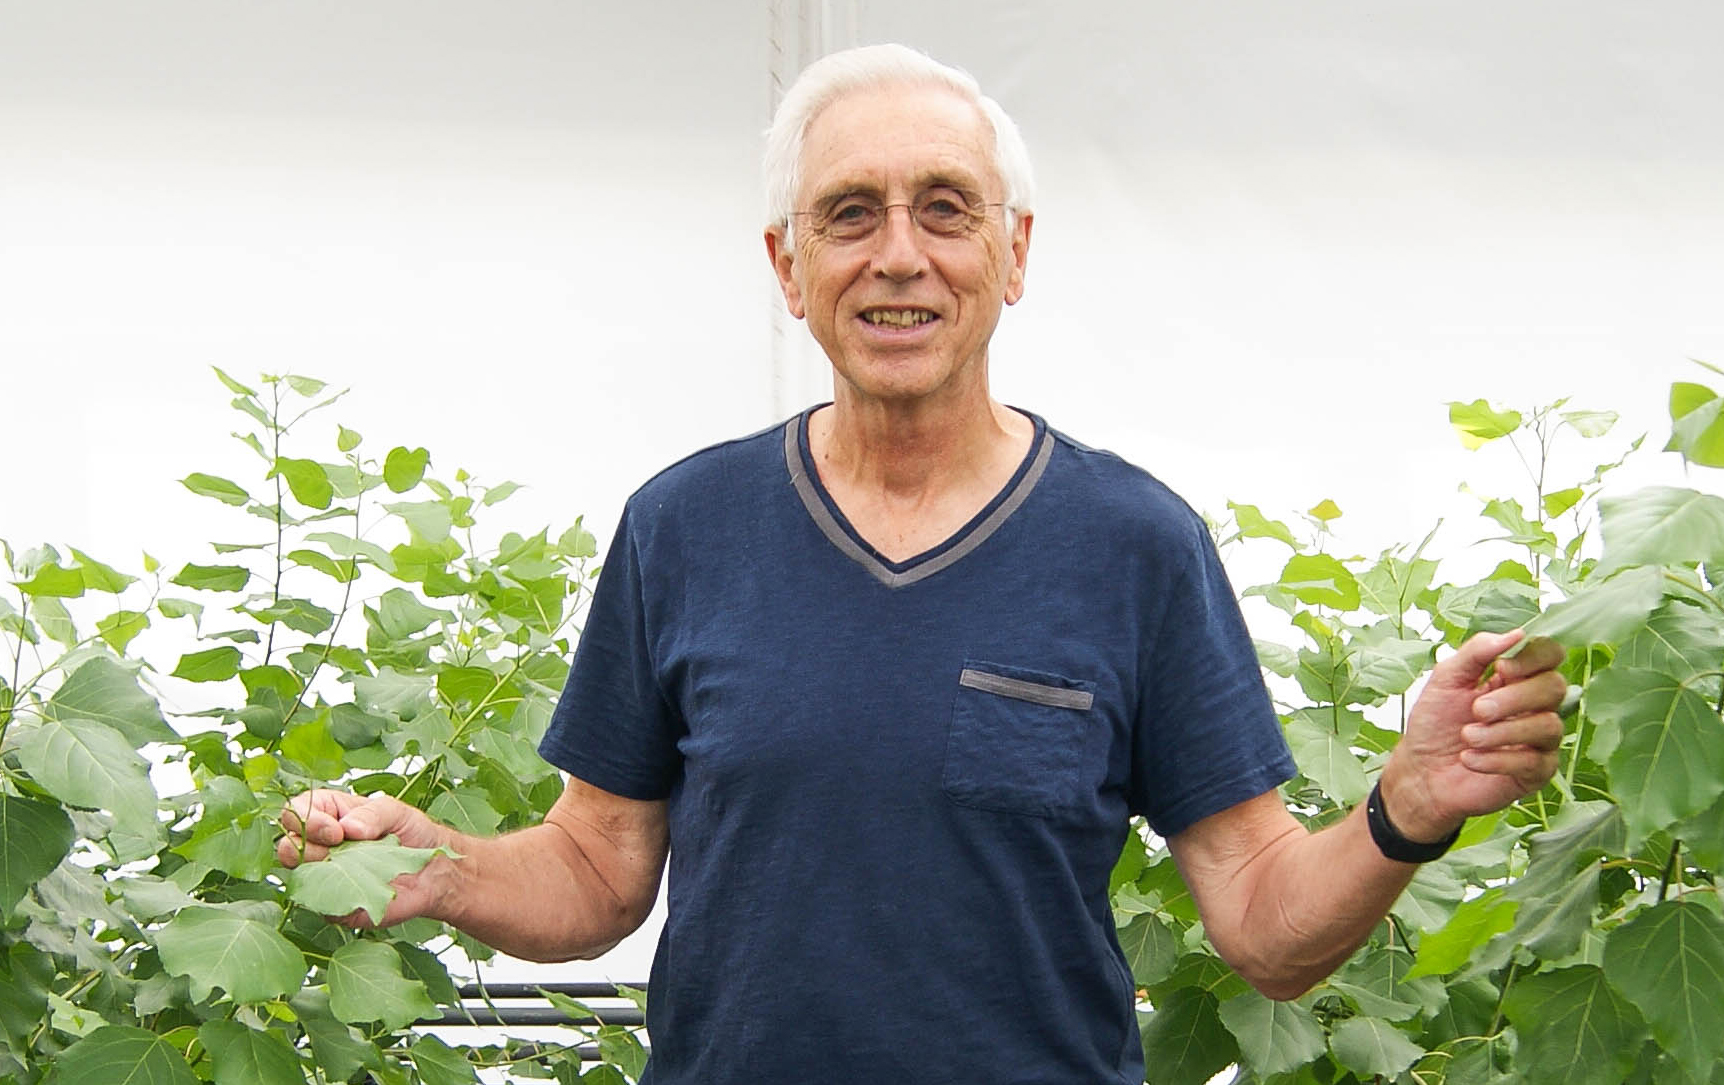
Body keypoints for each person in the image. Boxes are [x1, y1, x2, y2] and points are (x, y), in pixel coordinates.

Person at [278, 43, 1567, 1083]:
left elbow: (1263, 922)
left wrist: (1408, 804)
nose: (901, 254)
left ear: (1014, 254)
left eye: (946, 209)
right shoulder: (686, 527)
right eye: (850, 215)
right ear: (790, 268)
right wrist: (426, 864)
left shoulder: (1133, 547)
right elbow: (596, 869)